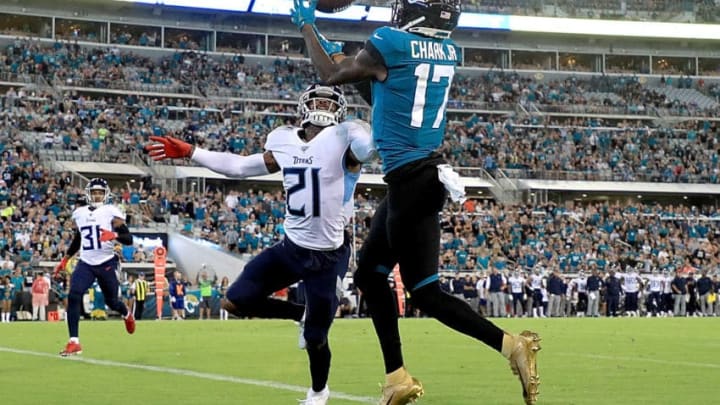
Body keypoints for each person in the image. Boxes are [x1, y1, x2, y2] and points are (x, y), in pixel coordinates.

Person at [290, 1, 541, 403]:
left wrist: (307, 28)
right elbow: (381, 92)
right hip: (417, 179)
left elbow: (333, 75)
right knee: (371, 275)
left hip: (412, 181)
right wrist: (327, 42)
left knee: (425, 292)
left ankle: (510, 345)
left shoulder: (392, 41)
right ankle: (397, 377)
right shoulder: (443, 51)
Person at [146, 83, 376, 405]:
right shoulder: (283, 141)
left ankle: (318, 392)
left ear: (339, 110)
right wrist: (190, 152)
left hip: (329, 255)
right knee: (235, 301)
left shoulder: (347, 139)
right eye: (318, 100)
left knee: (316, 338)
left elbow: (368, 149)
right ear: (304, 107)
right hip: (291, 248)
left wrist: (380, 117)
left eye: (329, 101)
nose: (323, 106)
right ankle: (299, 313)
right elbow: (239, 166)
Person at [53, 178, 136, 356]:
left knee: (111, 302)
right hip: (86, 262)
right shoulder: (80, 213)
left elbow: (129, 239)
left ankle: (126, 313)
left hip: (107, 261)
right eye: (94, 192)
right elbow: (79, 238)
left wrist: (113, 234)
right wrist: (65, 259)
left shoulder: (111, 212)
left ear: (105, 194)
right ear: (88, 194)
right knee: (74, 294)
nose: (97, 196)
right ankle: (74, 341)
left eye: (100, 192)